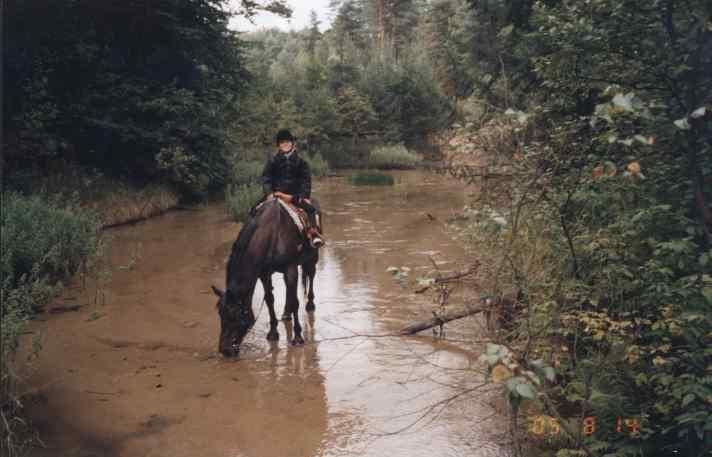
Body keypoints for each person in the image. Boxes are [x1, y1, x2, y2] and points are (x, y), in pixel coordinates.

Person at [260, 129, 323, 247]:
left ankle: (314, 234)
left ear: (292, 144)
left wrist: (304, 196)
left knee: (312, 210)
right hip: (275, 195)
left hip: (294, 196)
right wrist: (268, 193)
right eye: (282, 142)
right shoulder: (272, 161)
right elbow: (266, 178)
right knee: (254, 211)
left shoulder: (301, 162)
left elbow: (306, 181)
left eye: (288, 142)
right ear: (279, 145)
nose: (285, 144)